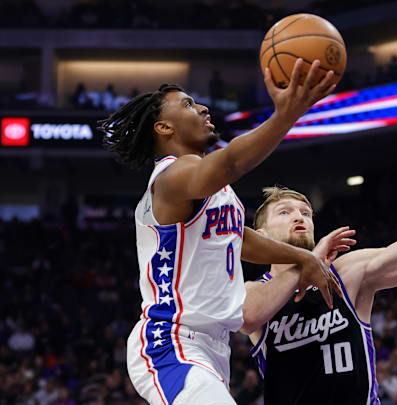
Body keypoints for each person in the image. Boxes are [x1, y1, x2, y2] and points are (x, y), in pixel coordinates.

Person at [98, 59, 340, 405]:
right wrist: (285, 116)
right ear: (164, 128)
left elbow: (240, 238)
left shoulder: (211, 188)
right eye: (187, 104)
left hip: (213, 347)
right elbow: (230, 163)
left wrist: (301, 256)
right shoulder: (172, 177)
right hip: (171, 343)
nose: (202, 107)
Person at [247, 89, 397, 404]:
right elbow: (249, 316)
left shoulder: (346, 272)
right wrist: (310, 261)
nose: (299, 217)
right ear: (260, 235)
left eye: (306, 212)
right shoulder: (253, 293)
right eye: (285, 212)